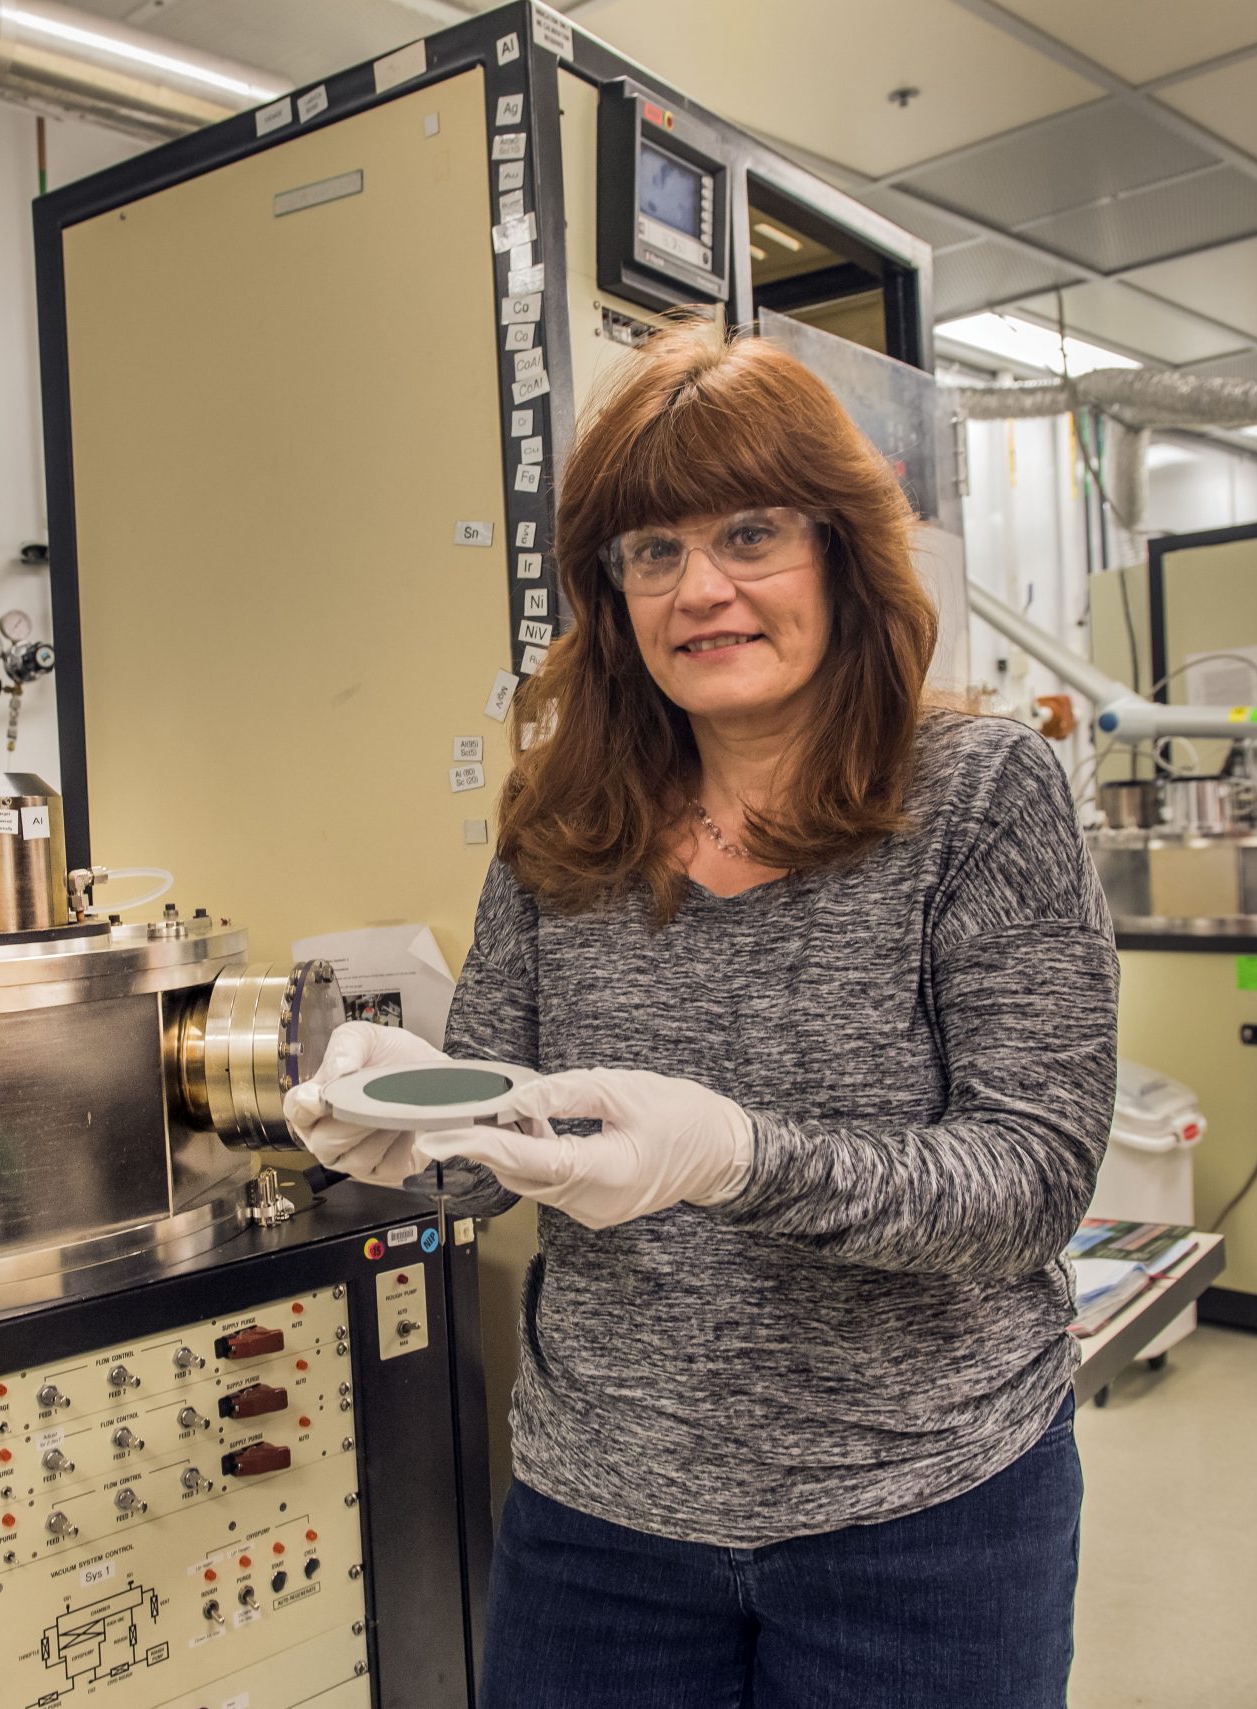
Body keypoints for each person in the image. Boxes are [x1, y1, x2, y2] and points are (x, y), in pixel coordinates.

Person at [283, 319, 1117, 1707]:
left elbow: (1030, 1179)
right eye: (653, 551)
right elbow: (506, 1127)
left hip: (921, 1519)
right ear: (611, 592)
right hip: (599, 1521)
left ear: (841, 554)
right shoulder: (561, 824)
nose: (702, 589)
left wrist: (738, 1157)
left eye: (750, 534)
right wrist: (405, 1118)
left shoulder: (978, 795)